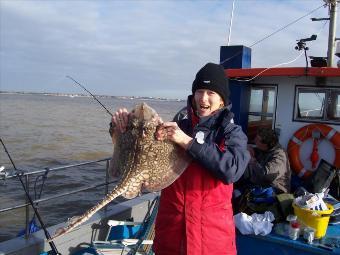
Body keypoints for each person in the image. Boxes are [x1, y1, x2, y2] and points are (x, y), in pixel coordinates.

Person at [112, 62, 250, 255]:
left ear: (222, 100)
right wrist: (122, 129)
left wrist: (187, 142)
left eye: (211, 93)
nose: (203, 98)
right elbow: (141, 154)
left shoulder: (231, 132)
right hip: (171, 239)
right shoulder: (175, 127)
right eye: (200, 91)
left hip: (212, 245)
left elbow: (232, 170)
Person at [240, 127, 291, 194]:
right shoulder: (265, 149)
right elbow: (254, 150)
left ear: (265, 144)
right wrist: (248, 147)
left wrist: (253, 161)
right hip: (260, 185)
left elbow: (266, 176)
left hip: (275, 191)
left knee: (237, 194)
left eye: (257, 139)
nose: (254, 140)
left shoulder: (279, 157)